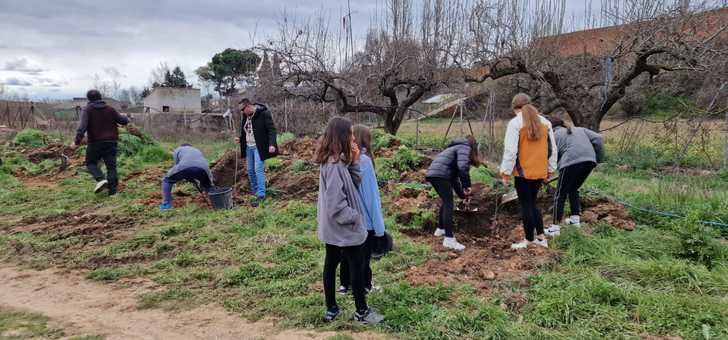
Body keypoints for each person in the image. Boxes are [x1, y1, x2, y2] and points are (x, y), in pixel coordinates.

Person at [315, 117, 384, 325]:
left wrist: (353, 161)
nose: (354, 138)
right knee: (356, 264)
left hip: (333, 226)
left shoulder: (337, 160)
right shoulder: (334, 165)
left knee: (331, 263)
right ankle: (361, 311)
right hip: (343, 226)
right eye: (351, 134)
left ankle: (332, 309)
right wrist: (356, 217)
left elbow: (352, 183)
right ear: (342, 135)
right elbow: (337, 204)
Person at [499, 93, 557, 250]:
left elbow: (510, 151)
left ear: (514, 107)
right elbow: (552, 149)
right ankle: (541, 238)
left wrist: (505, 172)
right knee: (533, 203)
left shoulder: (515, 123)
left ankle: (529, 240)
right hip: (540, 171)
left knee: (526, 206)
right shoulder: (545, 122)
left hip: (523, 173)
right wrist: (550, 169)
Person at [338, 124, 386, 295]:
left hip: (345, 215)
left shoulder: (342, 159)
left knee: (346, 252)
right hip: (363, 218)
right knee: (363, 256)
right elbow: (371, 197)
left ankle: (344, 285)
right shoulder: (364, 161)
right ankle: (366, 285)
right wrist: (379, 228)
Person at [544, 116, 605, 236]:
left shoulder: (552, 136)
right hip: (589, 161)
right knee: (573, 189)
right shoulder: (580, 129)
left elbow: (548, 156)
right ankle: (575, 220)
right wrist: (598, 159)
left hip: (570, 162)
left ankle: (555, 228)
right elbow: (598, 138)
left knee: (559, 194)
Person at [425, 136, 481, 251]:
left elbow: (454, 179)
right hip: (440, 175)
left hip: (433, 174)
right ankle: (449, 239)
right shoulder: (465, 147)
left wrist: (462, 195)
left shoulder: (453, 148)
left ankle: (441, 229)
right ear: (473, 146)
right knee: (449, 203)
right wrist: (467, 185)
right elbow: (463, 167)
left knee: (446, 201)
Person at [73, 89, 129, 195]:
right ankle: (112, 192)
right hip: (111, 142)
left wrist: (76, 142)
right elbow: (124, 121)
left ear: (88, 99)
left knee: (90, 163)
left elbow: (82, 128)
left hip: (95, 143)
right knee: (111, 167)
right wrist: (126, 117)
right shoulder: (110, 109)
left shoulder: (87, 110)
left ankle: (101, 179)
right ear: (100, 97)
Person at [235, 98, 277, 207]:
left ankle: (261, 195)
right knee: (250, 170)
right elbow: (247, 131)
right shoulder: (246, 115)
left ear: (248, 107)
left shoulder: (264, 113)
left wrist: (272, 144)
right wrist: (240, 139)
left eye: (243, 110)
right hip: (249, 146)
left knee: (258, 168)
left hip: (259, 147)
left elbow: (272, 130)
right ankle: (256, 192)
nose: (242, 113)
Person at [160, 144, 214, 210]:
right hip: (204, 168)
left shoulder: (178, 149)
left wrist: (186, 175)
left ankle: (166, 204)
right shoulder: (196, 150)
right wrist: (190, 177)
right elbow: (196, 164)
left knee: (167, 180)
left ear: (182, 146)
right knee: (207, 185)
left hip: (185, 166)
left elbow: (179, 166)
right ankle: (214, 202)